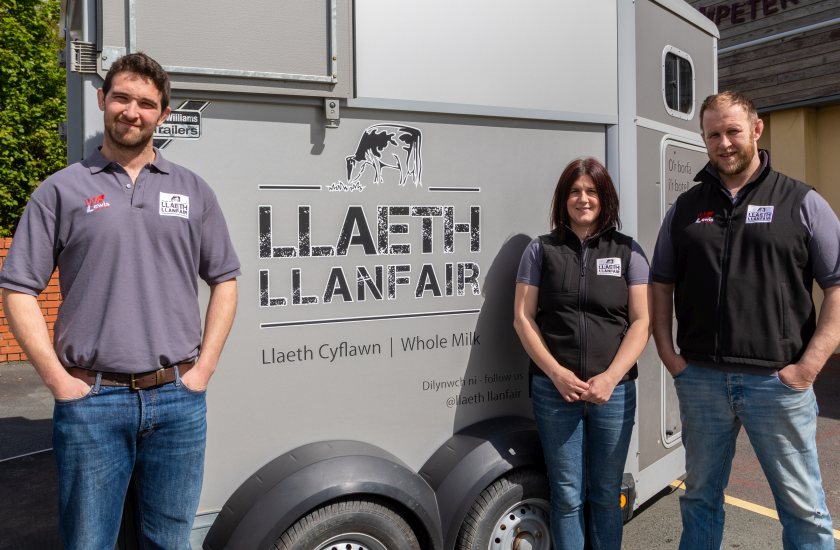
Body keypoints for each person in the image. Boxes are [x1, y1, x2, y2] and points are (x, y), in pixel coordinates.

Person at [0, 52, 240, 549]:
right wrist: (57, 381)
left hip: (178, 399)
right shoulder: (60, 191)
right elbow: (19, 287)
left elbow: (225, 279)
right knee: (88, 542)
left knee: (169, 541)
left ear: (163, 114)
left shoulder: (194, 191)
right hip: (93, 402)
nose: (133, 111)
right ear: (102, 100)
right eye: (123, 97)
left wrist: (204, 369)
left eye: (147, 103)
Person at [651, 91, 840, 549]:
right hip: (702, 381)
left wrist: (808, 366)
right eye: (713, 134)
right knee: (699, 498)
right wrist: (668, 353)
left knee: (803, 507)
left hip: (776, 383)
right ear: (704, 139)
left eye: (733, 130)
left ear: (756, 129)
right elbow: (660, 282)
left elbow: (836, 285)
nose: (725, 142)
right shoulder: (685, 208)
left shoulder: (802, 201)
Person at [513, 157, 650, 549]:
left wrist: (611, 377)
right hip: (555, 392)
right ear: (563, 198)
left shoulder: (628, 252)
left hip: (615, 392)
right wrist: (555, 373)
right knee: (568, 495)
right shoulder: (541, 251)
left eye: (591, 191)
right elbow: (523, 319)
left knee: (606, 494)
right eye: (575, 191)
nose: (583, 198)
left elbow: (642, 323)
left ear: (605, 198)